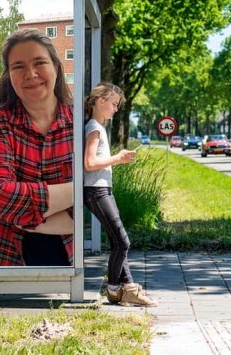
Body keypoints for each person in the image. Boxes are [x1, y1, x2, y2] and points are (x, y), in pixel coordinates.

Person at [0, 28, 74, 266]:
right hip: (5, 264)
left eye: (39, 62)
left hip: (70, 265)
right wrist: (76, 191)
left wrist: (23, 212)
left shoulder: (80, 122)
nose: (30, 74)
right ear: (8, 74)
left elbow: (101, 192)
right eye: (18, 66)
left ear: (56, 67)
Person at [84, 82, 157, 306]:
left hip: (103, 189)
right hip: (96, 191)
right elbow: (89, 163)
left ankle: (127, 289)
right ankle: (115, 289)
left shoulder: (97, 126)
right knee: (122, 242)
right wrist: (119, 158)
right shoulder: (94, 127)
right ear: (100, 101)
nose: (116, 109)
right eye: (114, 104)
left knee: (119, 240)